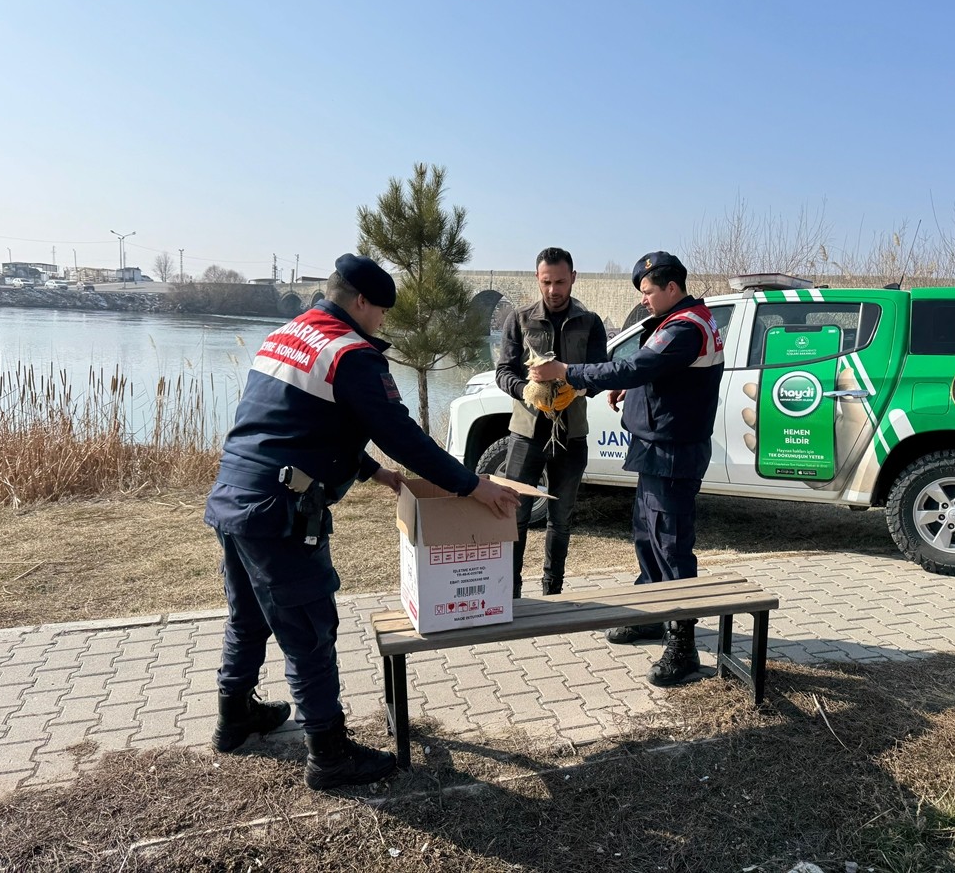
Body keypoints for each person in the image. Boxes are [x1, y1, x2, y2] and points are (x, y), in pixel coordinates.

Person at [204, 253, 519, 789]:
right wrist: (474, 484)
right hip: (278, 512)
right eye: (380, 313)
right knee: (309, 629)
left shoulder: (287, 334)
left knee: (250, 616)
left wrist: (374, 472)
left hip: (235, 497)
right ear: (361, 302)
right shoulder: (350, 353)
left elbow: (297, 420)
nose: (381, 324)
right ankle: (328, 754)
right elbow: (401, 432)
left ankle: (234, 718)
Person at [529, 251, 724, 686]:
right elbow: (654, 377)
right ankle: (652, 616)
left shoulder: (685, 327)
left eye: (649, 292)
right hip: (657, 444)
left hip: (672, 450)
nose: (646, 301)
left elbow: (639, 365)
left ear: (671, 288)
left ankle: (683, 645)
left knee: (671, 546)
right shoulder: (682, 318)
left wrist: (569, 371)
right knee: (647, 536)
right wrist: (627, 393)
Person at [495, 247, 608, 598]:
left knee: (561, 520)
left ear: (573, 278)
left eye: (560, 281)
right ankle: (509, 593)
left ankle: (552, 591)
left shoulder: (590, 322)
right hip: (526, 434)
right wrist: (526, 391)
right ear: (537, 279)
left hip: (571, 435)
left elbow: (600, 373)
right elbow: (503, 372)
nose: (554, 290)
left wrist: (578, 388)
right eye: (547, 282)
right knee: (514, 516)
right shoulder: (519, 318)